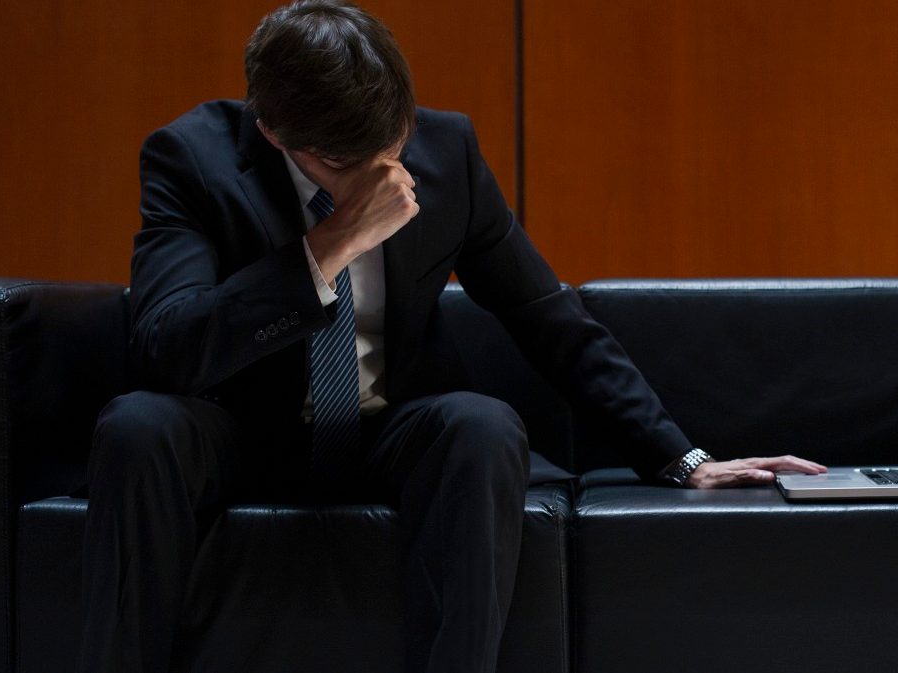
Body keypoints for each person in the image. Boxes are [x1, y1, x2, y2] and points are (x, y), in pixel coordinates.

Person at [80, 1, 827, 671]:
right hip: (244, 430)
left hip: (384, 431)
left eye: (392, 144)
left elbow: (547, 317)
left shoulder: (445, 152)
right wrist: (328, 246)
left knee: (484, 423)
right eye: (350, 164)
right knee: (137, 425)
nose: (385, 175)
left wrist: (682, 458)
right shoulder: (192, 157)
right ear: (274, 131)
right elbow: (165, 343)